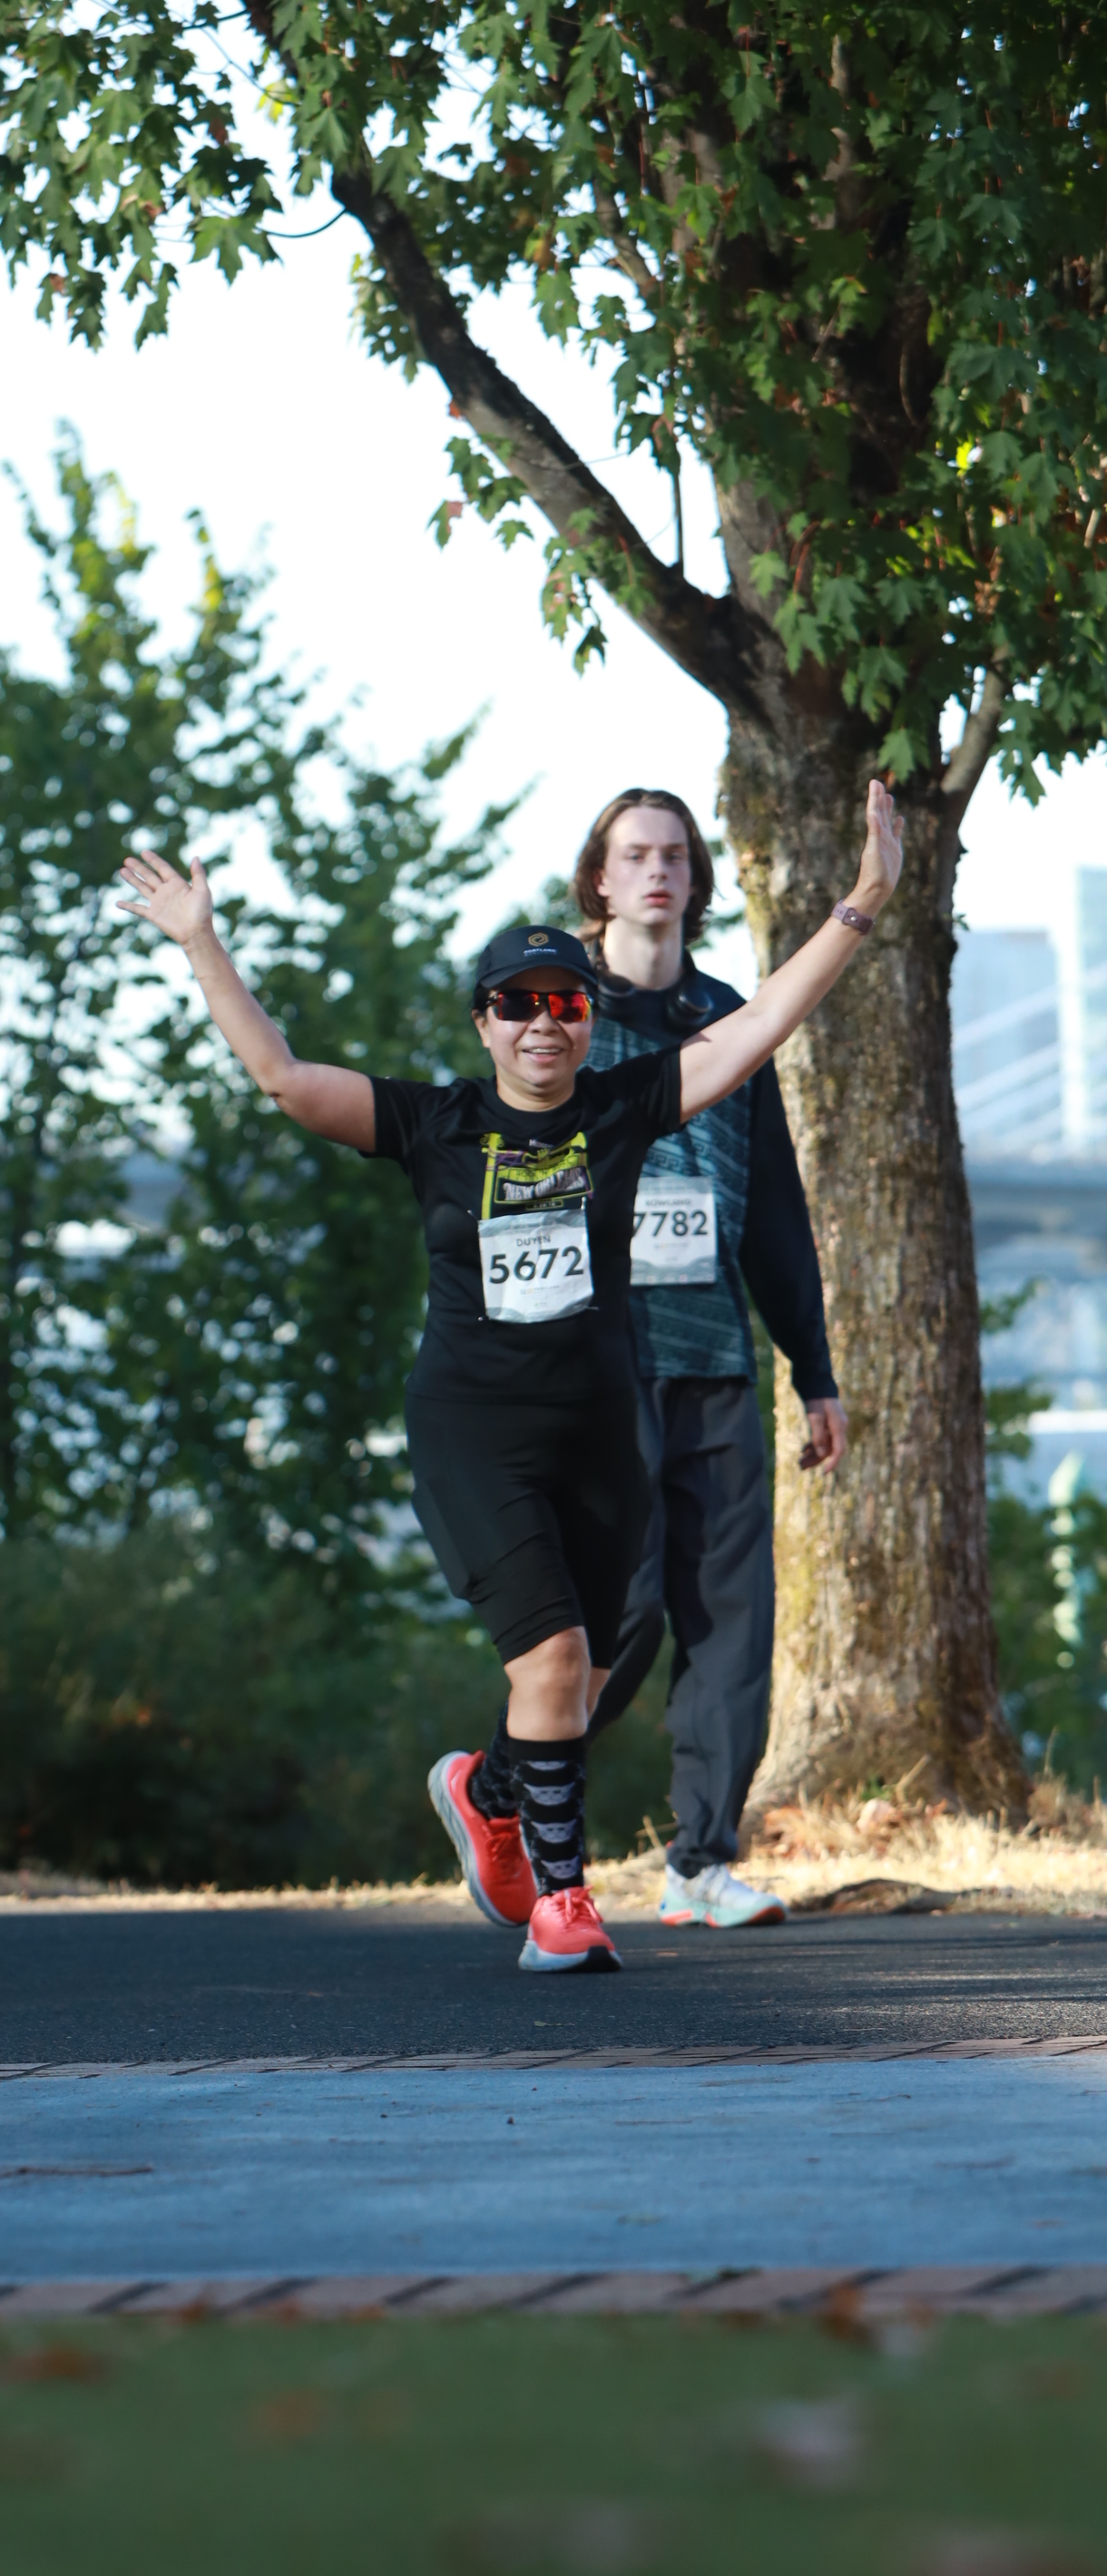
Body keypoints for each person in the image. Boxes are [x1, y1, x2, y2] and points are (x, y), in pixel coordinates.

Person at [118, 784, 903, 1974]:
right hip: (476, 1435)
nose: (543, 1024)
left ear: (588, 1023)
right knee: (548, 1661)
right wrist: (200, 943)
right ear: (484, 1023)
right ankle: (562, 1903)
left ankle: (489, 1800)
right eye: (517, 1005)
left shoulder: (622, 1113)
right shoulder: (432, 1125)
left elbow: (756, 1030)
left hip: (599, 1431)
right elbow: (281, 1077)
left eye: (564, 1005)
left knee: (586, 1673)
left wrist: (863, 901)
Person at [573, 789, 848, 1930]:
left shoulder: (728, 1020)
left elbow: (774, 1210)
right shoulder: (557, 1006)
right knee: (623, 1607)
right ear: (598, 879)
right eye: (633, 855)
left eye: (673, 856)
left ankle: (698, 1862)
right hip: (595, 1362)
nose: (655, 871)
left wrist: (812, 1369)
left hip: (715, 1360)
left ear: (692, 881)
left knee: (731, 1619)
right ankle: (507, 1788)